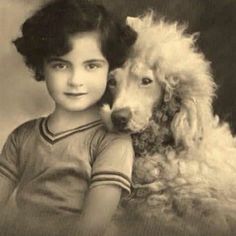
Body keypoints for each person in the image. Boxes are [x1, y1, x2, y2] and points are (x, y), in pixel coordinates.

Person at [0, 0, 136, 235]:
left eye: (91, 66)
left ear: (111, 69)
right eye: (61, 66)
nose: (75, 80)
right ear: (41, 67)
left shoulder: (112, 143)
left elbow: (91, 229)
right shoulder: (22, 137)